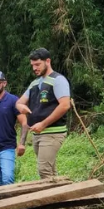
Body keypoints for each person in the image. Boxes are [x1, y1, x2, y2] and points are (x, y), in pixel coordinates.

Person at [16, 48, 71, 179]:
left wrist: (43, 124)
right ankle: (61, 196)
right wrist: (21, 106)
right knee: (50, 170)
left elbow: (65, 105)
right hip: (37, 133)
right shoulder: (35, 83)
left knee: (44, 170)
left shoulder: (58, 80)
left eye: (38, 64)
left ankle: (50, 199)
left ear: (48, 61)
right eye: (33, 65)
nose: (35, 68)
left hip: (52, 132)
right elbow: (19, 102)